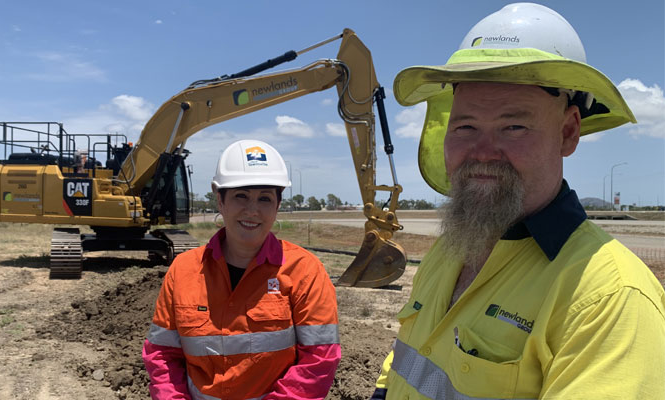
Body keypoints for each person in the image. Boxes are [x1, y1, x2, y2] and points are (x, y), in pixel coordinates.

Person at [373, 3, 665, 399]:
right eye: (466, 126)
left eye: (513, 126)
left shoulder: (608, 298)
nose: (483, 151)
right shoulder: (451, 249)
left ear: (567, 132)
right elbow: (406, 361)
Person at [143, 139, 340, 399]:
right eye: (241, 196)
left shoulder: (304, 271)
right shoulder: (183, 271)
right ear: (220, 199)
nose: (252, 210)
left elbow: (319, 359)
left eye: (265, 198)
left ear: (277, 205)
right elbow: (162, 356)